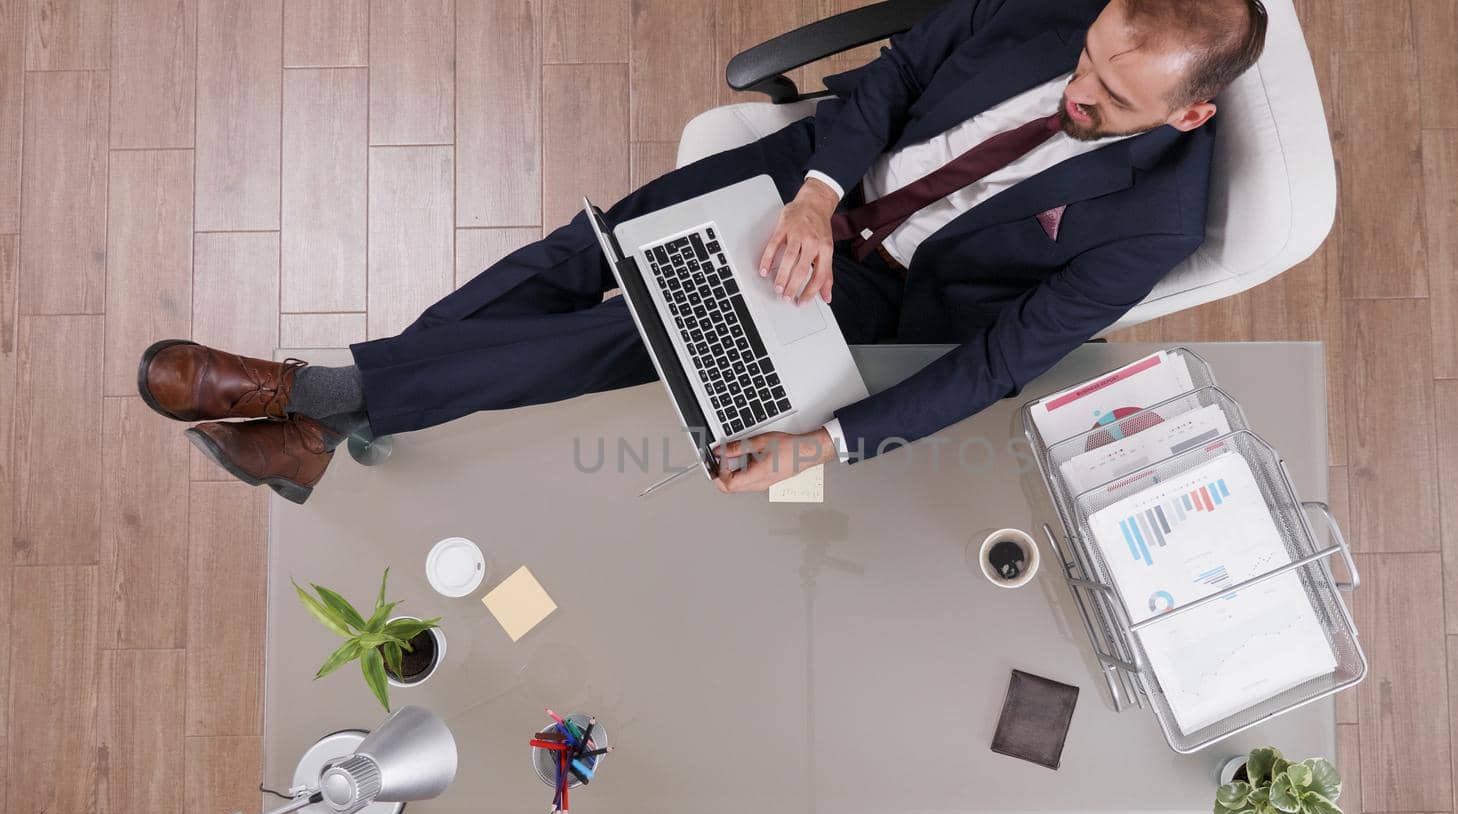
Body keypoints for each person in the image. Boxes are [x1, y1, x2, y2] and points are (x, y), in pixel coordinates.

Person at [137, 0, 1268, 504]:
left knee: (626, 327)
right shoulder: (1045, 5)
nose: (1076, 92)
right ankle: (322, 434)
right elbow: (895, 75)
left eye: (1111, 100)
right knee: (578, 258)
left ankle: (317, 395)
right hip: (810, 180)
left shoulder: (1152, 225)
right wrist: (818, 191)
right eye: (1086, 57)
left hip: (868, 299)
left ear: (1185, 118)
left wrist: (823, 446)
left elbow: (995, 364)